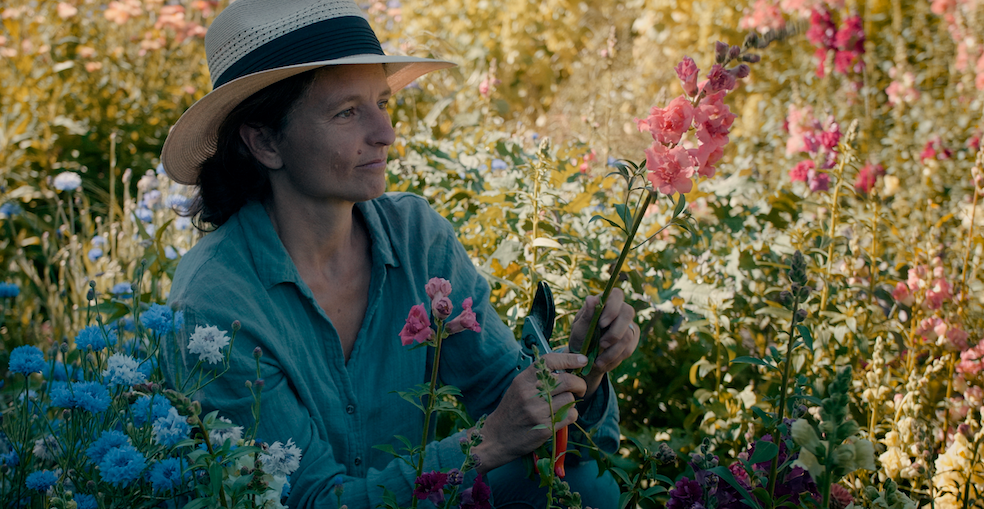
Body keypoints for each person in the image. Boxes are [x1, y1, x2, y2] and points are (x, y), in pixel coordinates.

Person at [157, 0, 641, 507]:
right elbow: (307, 501)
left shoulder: (416, 237)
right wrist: (486, 442)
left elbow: (523, 412)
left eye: (382, 103)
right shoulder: (215, 307)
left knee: (585, 488)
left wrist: (582, 371)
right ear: (264, 142)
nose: (385, 134)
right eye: (347, 112)